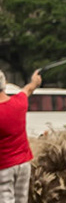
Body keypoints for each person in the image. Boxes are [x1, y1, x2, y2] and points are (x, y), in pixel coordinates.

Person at [0, 69, 43, 203]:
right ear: (5, 83)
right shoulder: (19, 102)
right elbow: (28, 90)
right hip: (23, 164)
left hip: (3, 167)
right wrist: (34, 81)